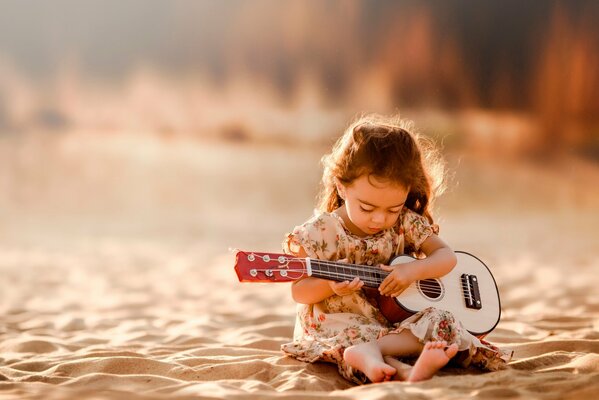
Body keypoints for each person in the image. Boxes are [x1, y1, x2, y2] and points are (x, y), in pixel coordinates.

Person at [281, 114, 511, 384]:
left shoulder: (405, 223)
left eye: (392, 208)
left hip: (395, 325)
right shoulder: (320, 232)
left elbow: (446, 257)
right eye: (367, 207)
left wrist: (413, 271)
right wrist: (331, 285)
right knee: (353, 336)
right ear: (342, 187)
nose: (380, 219)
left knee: (444, 320)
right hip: (340, 320)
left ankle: (378, 356)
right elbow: (299, 291)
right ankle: (396, 366)